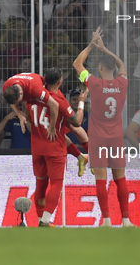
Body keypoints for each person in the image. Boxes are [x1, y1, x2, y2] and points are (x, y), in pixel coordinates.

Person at [73, 28, 134, 227]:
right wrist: (105, 48)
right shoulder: (122, 83)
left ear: (99, 68)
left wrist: (92, 45)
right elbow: (123, 64)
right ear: (114, 69)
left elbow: (77, 64)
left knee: (101, 179)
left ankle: (106, 220)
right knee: (121, 179)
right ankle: (126, 220)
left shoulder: (93, 83)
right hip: (115, 137)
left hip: (98, 137)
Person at [28, 67, 82, 227]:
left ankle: (39, 219)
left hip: (37, 148)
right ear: (59, 81)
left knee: (40, 184)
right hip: (54, 148)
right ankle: (45, 220)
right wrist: (81, 104)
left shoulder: (33, 97)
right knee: (56, 184)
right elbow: (76, 122)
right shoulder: (59, 101)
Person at [3, 72, 60, 141]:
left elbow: (55, 105)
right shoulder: (7, 86)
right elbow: (12, 103)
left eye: (18, 102)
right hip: (25, 84)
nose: (18, 104)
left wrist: (52, 127)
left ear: (21, 94)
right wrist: (20, 116)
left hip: (36, 84)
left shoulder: (36, 89)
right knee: (26, 116)